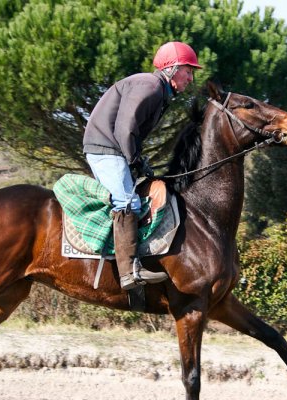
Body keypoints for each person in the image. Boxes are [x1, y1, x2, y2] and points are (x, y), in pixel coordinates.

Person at [83, 41, 202, 290]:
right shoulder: (150, 87)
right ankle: (128, 273)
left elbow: (130, 133)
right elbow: (125, 130)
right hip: (105, 148)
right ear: (171, 69)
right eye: (188, 70)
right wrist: (135, 159)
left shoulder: (157, 90)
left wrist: (139, 160)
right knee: (127, 202)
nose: (191, 78)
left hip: (113, 147)